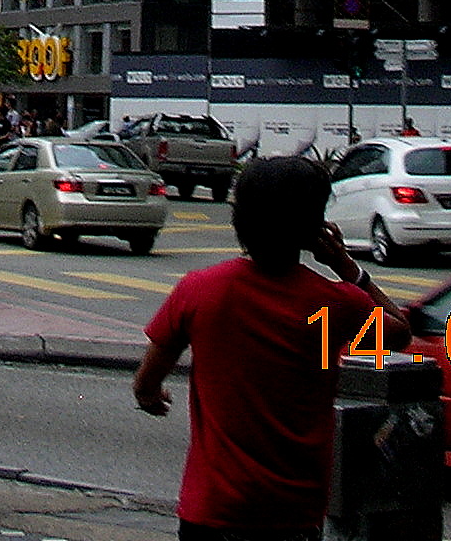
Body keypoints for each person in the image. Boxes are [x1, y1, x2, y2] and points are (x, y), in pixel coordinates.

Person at [133, 157, 411, 536]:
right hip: (292, 514)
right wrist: (345, 264)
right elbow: (399, 331)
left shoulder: (200, 291)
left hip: (213, 512)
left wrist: (150, 397)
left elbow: (146, 381)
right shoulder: (335, 303)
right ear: (314, 226)